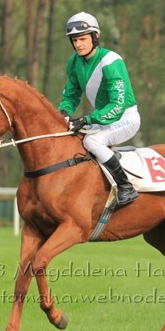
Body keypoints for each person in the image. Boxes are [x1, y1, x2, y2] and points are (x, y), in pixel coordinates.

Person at [58, 12, 141, 207]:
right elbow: (71, 94)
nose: (78, 45)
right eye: (75, 40)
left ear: (95, 36)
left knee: (92, 141)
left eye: (83, 39)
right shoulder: (74, 62)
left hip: (125, 118)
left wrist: (86, 120)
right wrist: (63, 112)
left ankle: (126, 187)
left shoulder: (111, 61)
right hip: (102, 120)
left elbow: (118, 105)